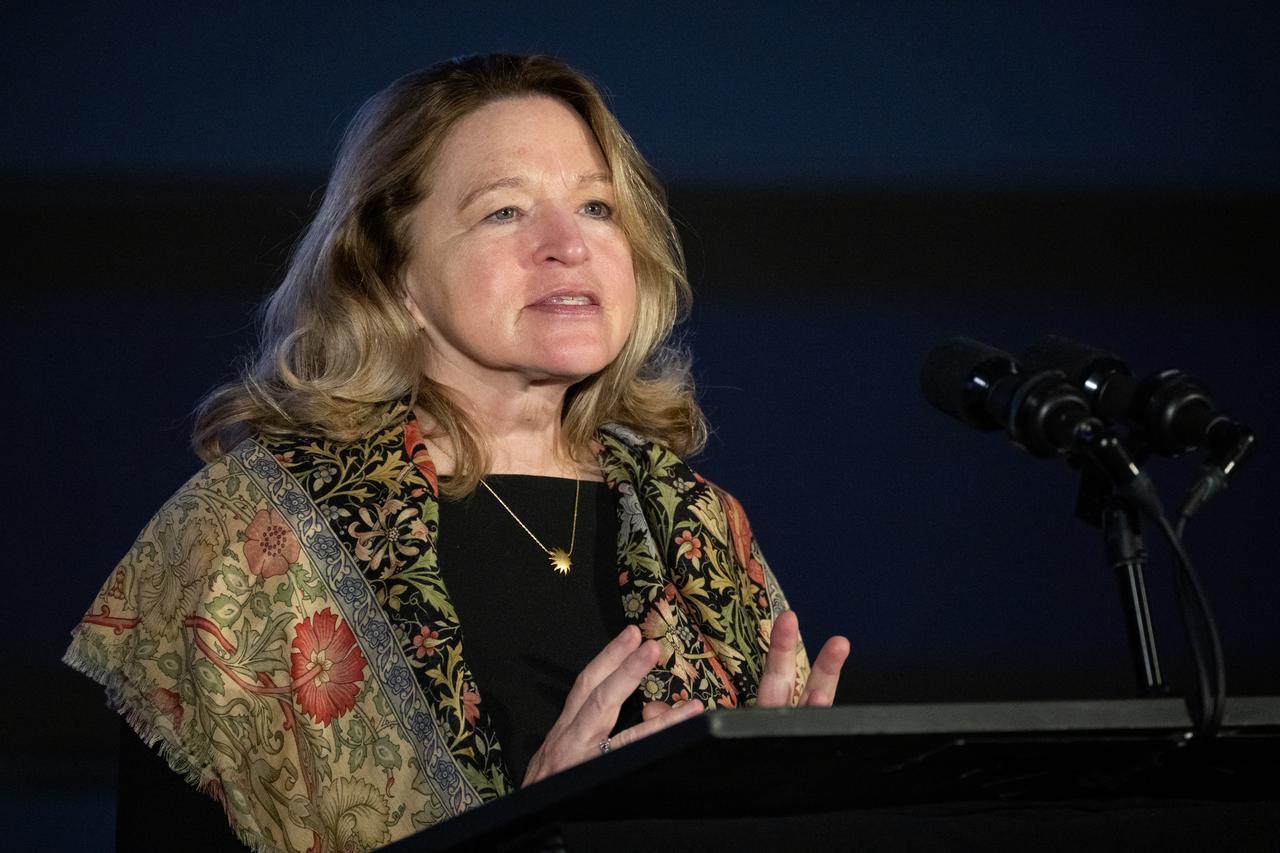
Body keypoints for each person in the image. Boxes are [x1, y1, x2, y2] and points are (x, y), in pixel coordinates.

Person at [64, 53, 850, 853]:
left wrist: (796, 814)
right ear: (393, 269)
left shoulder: (703, 525)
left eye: (596, 206)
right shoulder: (246, 537)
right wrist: (527, 837)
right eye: (506, 212)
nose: (567, 245)